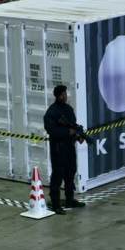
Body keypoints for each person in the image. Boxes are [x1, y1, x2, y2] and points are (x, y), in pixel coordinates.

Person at [43, 85, 86, 214]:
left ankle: (69, 199)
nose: (65, 96)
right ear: (57, 96)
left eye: (65, 94)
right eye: (63, 94)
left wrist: (78, 136)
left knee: (70, 173)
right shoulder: (51, 112)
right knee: (58, 176)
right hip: (58, 149)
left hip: (69, 147)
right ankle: (55, 204)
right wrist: (68, 132)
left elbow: (73, 125)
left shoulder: (68, 109)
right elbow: (51, 130)